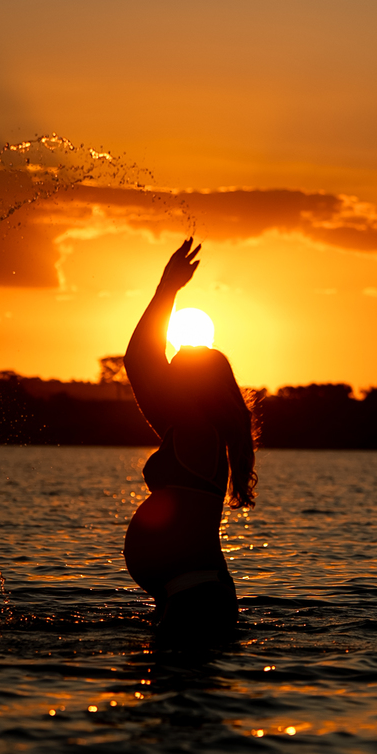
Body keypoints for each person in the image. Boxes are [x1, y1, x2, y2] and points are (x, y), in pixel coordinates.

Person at [123, 239, 257, 645]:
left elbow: (138, 360)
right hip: (186, 594)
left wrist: (168, 288)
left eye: (175, 366)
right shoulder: (186, 431)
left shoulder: (198, 432)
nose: (165, 370)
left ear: (194, 386)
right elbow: (141, 363)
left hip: (197, 596)